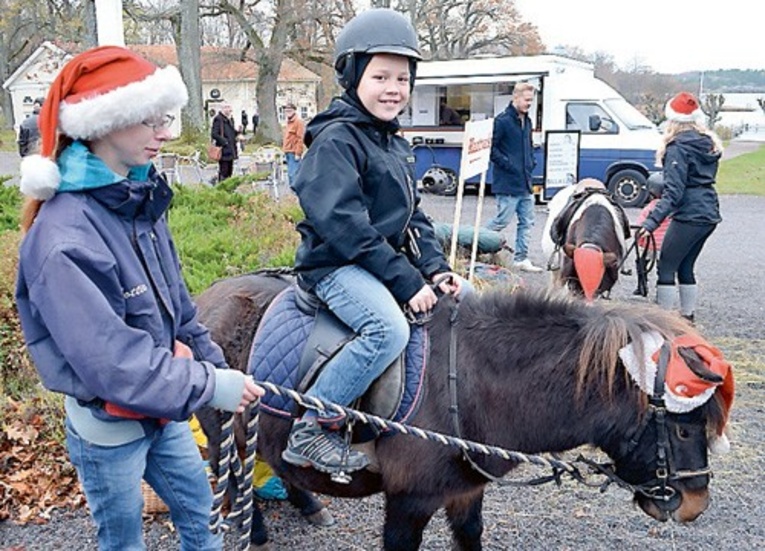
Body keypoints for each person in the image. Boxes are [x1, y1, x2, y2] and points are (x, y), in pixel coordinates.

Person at [14, 46, 264, 550]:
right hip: (109, 429)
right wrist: (209, 385)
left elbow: (181, 316)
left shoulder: (139, 200)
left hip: (162, 409)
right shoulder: (63, 240)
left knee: (204, 520)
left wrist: (220, 371)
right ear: (106, 122)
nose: (167, 133)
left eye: (165, 118)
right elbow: (115, 365)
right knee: (124, 541)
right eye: (151, 120)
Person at [284, 8, 465, 474]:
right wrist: (406, 281)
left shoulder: (391, 141)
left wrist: (435, 267)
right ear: (352, 76)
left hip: (374, 262)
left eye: (402, 79)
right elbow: (344, 224)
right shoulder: (337, 139)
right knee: (388, 329)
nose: (393, 89)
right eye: (381, 76)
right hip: (335, 264)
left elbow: (413, 216)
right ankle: (313, 426)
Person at [637, 92, 723, 322]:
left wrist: (651, 221)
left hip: (690, 214)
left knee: (666, 266)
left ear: (672, 120)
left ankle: (663, 322)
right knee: (685, 265)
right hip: (709, 212)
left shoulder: (677, 148)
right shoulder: (708, 143)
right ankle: (687, 318)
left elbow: (673, 192)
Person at [485, 82, 543, 272]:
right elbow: (491, 149)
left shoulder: (527, 121)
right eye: (526, 100)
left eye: (531, 100)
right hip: (508, 182)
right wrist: (508, 165)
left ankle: (521, 258)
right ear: (515, 98)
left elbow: (528, 144)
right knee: (502, 220)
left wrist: (530, 163)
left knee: (527, 221)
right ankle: (476, 243)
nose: (529, 104)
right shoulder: (502, 121)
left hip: (525, 181)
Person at [210, 102, 238, 182]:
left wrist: (238, 132)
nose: (230, 110)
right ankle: (221, 187)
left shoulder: (230, 120)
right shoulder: (218, 119)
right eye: (227, 107)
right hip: (223, 150)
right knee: (224, 171)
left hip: (231, 149)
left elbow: (231, 133)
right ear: (223, 109)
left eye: (230, 108)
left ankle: (228, 188)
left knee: (230, 170)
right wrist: (224, 142)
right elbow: (214, 134)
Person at [281, 102, 305, 186]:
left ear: (294, 111)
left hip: (294, 152)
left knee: (294, 174)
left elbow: (300, 138)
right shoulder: (288, 122)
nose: (288, 112)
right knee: (290, 174)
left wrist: (298, 153)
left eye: (290, 110)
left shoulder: (298, 122)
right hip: (287, 151)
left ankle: (296, 193)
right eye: (286, 110)